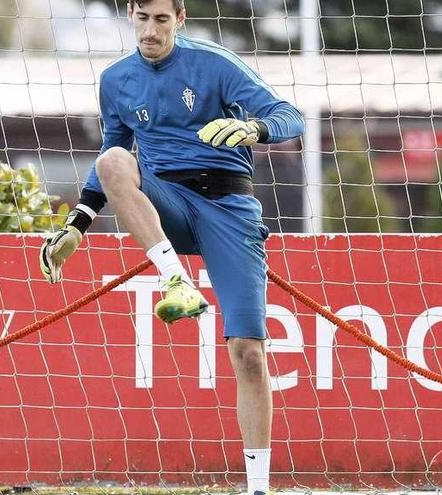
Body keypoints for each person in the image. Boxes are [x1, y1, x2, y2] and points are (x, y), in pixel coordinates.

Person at [39, 0, 304, 492]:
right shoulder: (116, 80)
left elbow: (291, 116)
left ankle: (259, 488)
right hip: (169, 204)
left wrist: (255, 128)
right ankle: (176, 281)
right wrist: (78, 223)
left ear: (179, 20)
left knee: (248, 351)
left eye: (162, 19)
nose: (150, 29)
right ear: (132, 17)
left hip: (228, 207)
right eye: (143, 18)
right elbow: (108, 157)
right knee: (115, 159)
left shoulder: (215, 64)